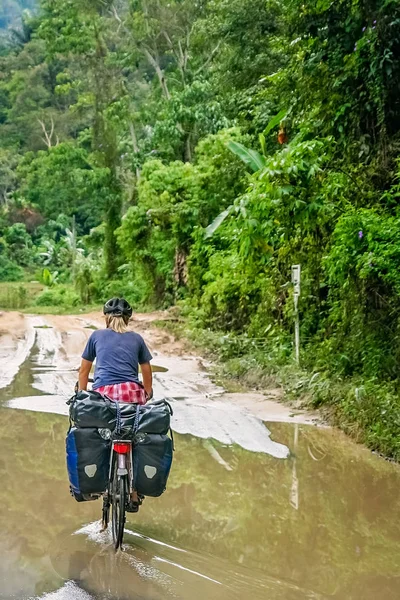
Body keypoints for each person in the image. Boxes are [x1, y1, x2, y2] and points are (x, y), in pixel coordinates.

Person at [78, 296, 153, 511]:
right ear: (128, 319)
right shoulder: (136, 339)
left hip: (104, 395)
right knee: (135, 435)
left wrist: (82, 395)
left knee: (101, 435)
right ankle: (135, 491)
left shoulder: (96, 336)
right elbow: (146, 371)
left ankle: (97, 479)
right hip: (132, 394)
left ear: (106, 318)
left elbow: (84, 371)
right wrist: (147, 393)